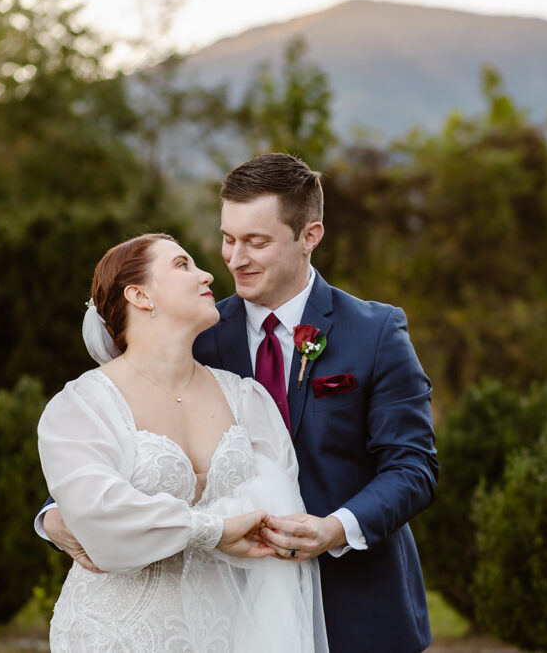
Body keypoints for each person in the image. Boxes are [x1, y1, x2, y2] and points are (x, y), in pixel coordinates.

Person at [41, 153, 438, 652]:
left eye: (257, 242)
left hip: (357, 601)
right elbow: (118, 431)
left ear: (309, 236)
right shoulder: (196, 331)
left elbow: (412, 466)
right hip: (225, 606)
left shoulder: (375, 332)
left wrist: (336, 528)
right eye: (228, 239)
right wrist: (56, 514)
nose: (234, 259)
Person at [37, 232, 328, 652]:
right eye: (182, 265)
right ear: (139, 295)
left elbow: (281, 508)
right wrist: (214, 528)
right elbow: (99, 514)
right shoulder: (83, 405)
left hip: (232, 631)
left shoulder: (246, 400)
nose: (207, 273)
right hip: (118, 633)